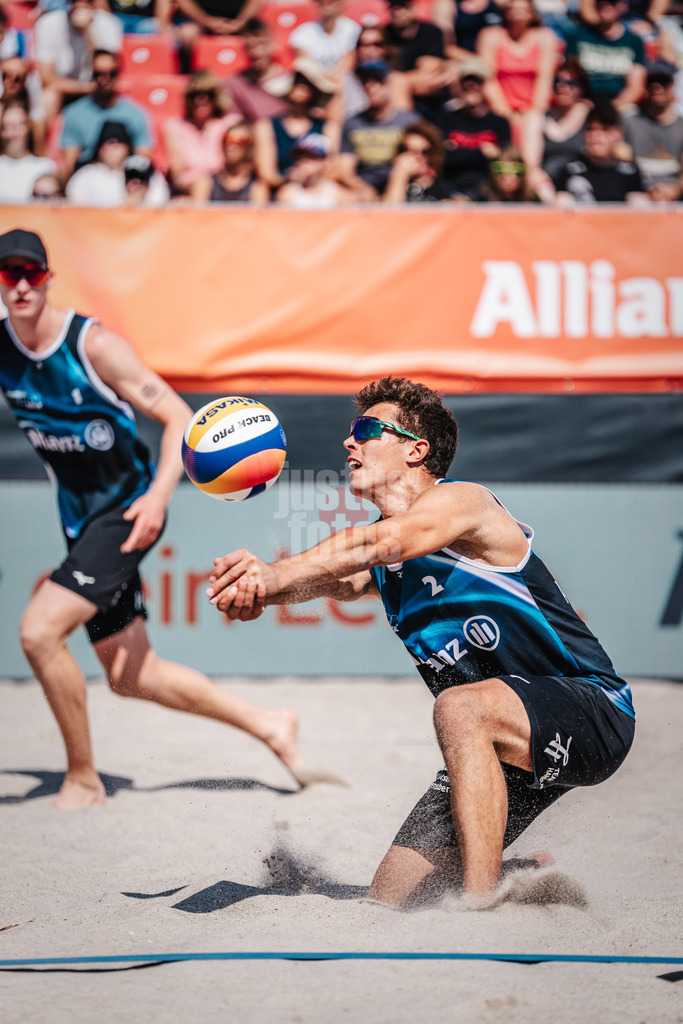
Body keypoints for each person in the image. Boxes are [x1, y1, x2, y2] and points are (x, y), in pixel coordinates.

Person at [206, 377, 636, 907]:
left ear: (417, 450)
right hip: (499, 739)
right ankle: (514, 870)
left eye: (366, 430)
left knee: (458, 708)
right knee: (390, 896)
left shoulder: (464, 503)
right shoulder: (389, 559)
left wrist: (274, 577)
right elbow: (339, 580)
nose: (349, 442)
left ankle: (478, 910)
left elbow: (380, 543)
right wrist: (258, 588)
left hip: (593, 708)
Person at [0, 228, 310, 810]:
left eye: (30, 273)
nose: (19, 284)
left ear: (48, 278)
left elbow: (177, 416)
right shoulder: (4, 347)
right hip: (82, 521)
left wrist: (159, 496)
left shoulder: (92, 346)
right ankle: (271, 724)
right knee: (131, 674)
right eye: (7, 274)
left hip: (129, 510)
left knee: (39, 633)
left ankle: (84, 779)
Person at [59, 50, 153, 181]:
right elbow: (69, 166)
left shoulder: (136, 113)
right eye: (99, 74)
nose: (105, 79)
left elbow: (142, 162)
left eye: (111, 73)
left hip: (125, 180)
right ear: (91, 75)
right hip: (88, 181)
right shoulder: (74, 113)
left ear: (119, 74)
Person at [337, 59, 419, 198]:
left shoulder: (409, 122)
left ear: (389, 83)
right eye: (365, 81)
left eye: (377, 80)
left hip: (403, 185)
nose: (370, 86)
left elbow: (419, 163)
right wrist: (363, 189)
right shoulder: (352, 123)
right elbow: (344, 169)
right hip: (363, 190)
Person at [34, 0, 123, 126]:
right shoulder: (48, 23)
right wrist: (86, 88)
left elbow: (106, 67)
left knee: (108, 92)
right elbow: (47, 78)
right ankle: (45, 144)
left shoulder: (109, 23)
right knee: (49, 97)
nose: (80, 3)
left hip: (99, 87)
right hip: (67, 89)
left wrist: (87, 32)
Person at [435, 55, 512, 199]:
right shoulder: (445, 120)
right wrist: (483, 153)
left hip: (488, 191)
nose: (470, 85)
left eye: (476, 80)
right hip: (450, 190)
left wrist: (457, 150)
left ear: (484, 84)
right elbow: (441, 160)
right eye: (466, 80)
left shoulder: (500, 123)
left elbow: (505, 164)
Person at [253, 57, 336, 190]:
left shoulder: (327, 126)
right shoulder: (266, 126)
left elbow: (332, 167)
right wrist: (289, 180)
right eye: (297, 80)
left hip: (317, 193)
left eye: (306, 82)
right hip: (279, 193)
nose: (301, 86)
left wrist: (311, 175)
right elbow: (266, 173)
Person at [476, 0, 559, 132]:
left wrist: (532, 113)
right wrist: (505, 113)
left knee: (533, 128)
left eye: (523, 10)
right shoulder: (490, 36)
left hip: (534, 110)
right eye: (513, 10)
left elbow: (545, 80)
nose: (517, 15)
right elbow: (488, 79)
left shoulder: (545, 37)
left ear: (531, 14)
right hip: (497, 108)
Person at [522, 57, 593, 199]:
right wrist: (538, 178)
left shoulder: (590, 115)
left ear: (582, 88)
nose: (562, 87)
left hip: (581, 181)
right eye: (557, 81)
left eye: (571, 83)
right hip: (548, 184)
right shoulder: (538, 118)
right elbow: (531, 166)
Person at [162, 70, 240, 198]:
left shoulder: (231, 124)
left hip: (225, 191)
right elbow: (178, 177)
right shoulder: (174, 126)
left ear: (216, 96)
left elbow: (237, 169)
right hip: (190, 193)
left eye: (207, 94)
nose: (200, 100)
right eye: (195, 94)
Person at [554, 101, 649, 202]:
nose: (596, 135)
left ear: (620, 135)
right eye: (590, 129)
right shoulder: (570, 170)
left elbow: (639, 210)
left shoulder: (629, 173)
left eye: (605, 129)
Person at [564, 0, 647, 111]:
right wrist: (584, 103)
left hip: (620, 105)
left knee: (630, 115)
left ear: (623, 6)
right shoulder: (577, 36)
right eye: (600, 1)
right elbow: (570, 77)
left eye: (612, 1)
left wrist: (613, 107)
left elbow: (635, 87)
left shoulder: (634, 41)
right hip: (584, 103)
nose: (605, 5)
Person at [65, 120, 168, 207]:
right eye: (107, 142)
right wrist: (122, 208)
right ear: (99, 147)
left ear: (128, 146)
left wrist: (141, 201)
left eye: (118, 142)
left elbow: (162, 206)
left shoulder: (145, 170)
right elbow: (77, 212)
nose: (112, 148)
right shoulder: (86, 175)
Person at [623, 60, 683, 202]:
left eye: (663, 81)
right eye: (652, 81)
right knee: (635, 200)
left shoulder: (681, 125)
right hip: (638, 190)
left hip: (675, 192)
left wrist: (675, 190)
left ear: (672, 85)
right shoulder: (629, 120)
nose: (657, 86)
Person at [384, 0, 450, 121]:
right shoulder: (384, 34)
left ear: (413, 9)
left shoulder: (430, 32)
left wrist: (398, 82)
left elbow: (428, 77)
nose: (397, 12)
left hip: (432, 103)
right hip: (392, 103)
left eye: (402, 7)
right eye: (393, 7)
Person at [222, 17, 291, 124]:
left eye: (261, 45)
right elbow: (233, 122)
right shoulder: (234, 84)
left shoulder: (290, 79)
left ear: (272, 44)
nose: (256, 53)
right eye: (251, 47)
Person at [194, 120, 269, 201]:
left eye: (240, 141)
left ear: (250, 148)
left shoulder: (257, 187)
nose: (231, 146)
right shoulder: (206, 182)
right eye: (227, 140)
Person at [275, 131, 358, 205]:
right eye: (299, 157)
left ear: (326, 161)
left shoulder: (340, 195)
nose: (303, 161)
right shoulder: (288, 193)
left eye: (311, 157)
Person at [0, 102, 58, 204]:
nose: (13, 133)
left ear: (29, 128)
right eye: (7, 127)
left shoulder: (46, 166)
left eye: (19, 126)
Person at [289, 0, 361, 78]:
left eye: (331, 2)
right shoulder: (302, 32)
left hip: (344, 80)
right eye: (321, 2)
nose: (325, 5)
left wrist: (335, 81)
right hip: (314, 81)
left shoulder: (353, 30)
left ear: (341, 3)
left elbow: (348, 64)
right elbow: (305, 64)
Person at [383, 121, 452, 201]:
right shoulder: (387, 184)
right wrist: (400, 175)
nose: (418, 157)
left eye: (426, 151)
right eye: (408, 151)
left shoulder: (443, 187)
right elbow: (391, 211)